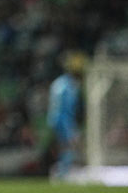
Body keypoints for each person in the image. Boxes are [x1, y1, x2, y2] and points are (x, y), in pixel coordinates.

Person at [47, 50, 85, 180]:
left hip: (54, 119)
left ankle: (62, 170)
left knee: (64, 146)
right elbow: (67, 108)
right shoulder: (69, 86)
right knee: (69, 145)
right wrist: (71, 125)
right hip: (64, 120)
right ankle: (63, 172)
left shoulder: (58, 83)